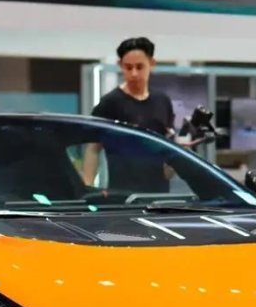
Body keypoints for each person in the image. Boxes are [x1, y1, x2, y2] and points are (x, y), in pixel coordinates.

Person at [85, 36, 198, 192]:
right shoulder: (110, 103)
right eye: (128, 67)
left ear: (152, 64)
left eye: (139, 67)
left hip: (158, 193)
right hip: (122, 192)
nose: (134, 73)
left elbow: (167, 147)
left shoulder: (162, 101)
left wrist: (179, 153)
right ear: (120, 65)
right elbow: (93, 149)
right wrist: (88, 187)